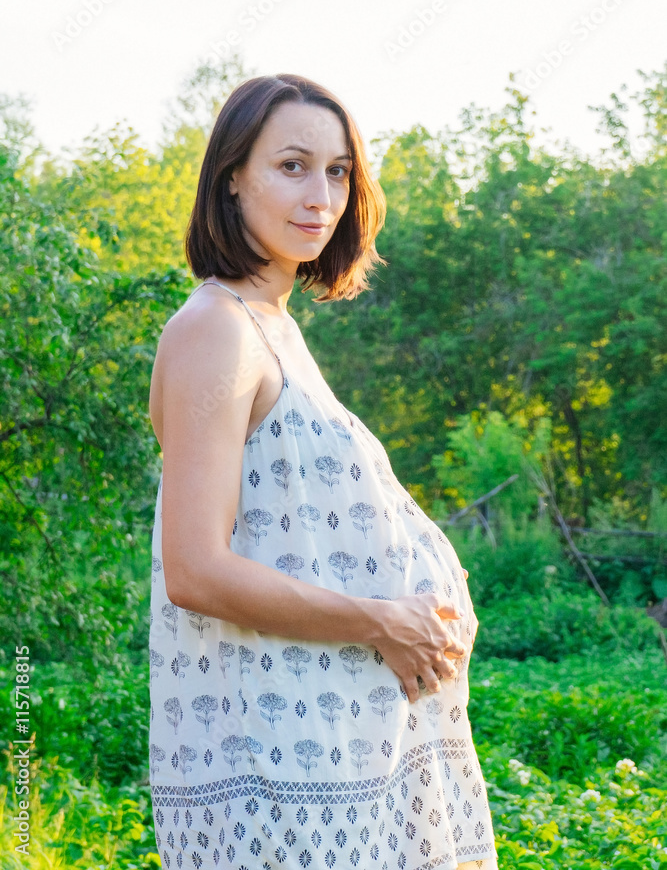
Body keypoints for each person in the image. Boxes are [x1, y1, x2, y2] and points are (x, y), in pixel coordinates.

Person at [148, 73, 497, 870]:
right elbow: (195, 571)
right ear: (233, 176)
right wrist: (383, 620)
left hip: (339, 752)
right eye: (292, 166)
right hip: (281, 772)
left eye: (338, 171)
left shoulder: (272, 327)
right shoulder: (215, 328)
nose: (321, 196)